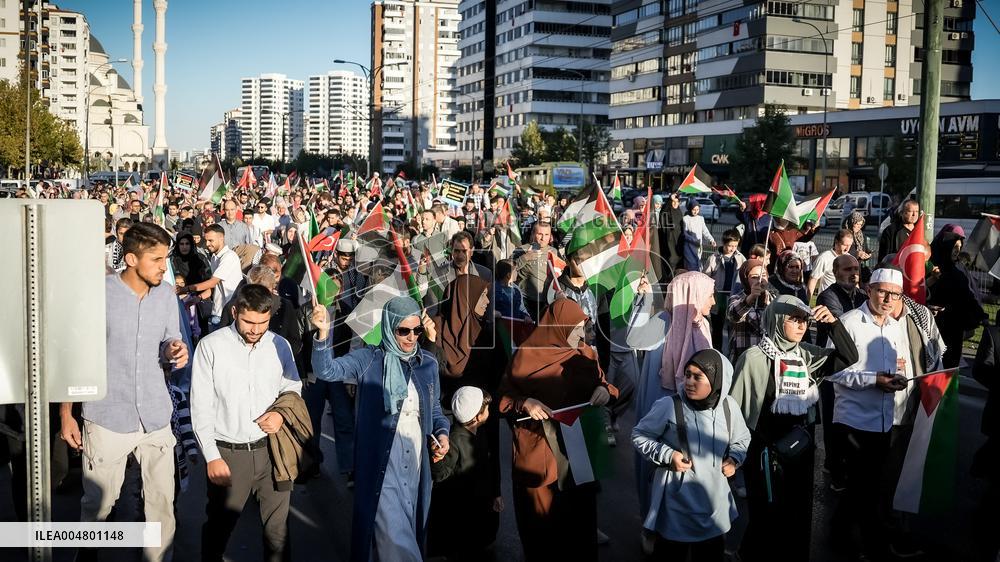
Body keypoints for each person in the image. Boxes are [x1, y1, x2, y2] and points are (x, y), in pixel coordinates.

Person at [59, 222, 189, 562]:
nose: (164, 266)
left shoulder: (166, 294)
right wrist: (66, 414)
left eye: (166, 258)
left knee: (162, 505)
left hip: (156, 417)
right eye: (157, 259)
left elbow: (168, 342)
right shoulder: (98, 293)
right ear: (131, 259)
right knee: (98, 507)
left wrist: (174, 350)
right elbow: (77, 355)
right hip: (107, 417)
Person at [310, 296, 451, 562]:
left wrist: (442, 436)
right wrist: (323, 333)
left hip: (417, 463)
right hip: (382, 465)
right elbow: (326, 370)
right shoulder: (368, 359)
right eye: (403, 330)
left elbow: (435, 413)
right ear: (389, 327)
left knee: (406, 531)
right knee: (393, 537)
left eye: (417, 330)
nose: (411, 337)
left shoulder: (427, 364)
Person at [729, 296, 857, 560]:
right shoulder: (753, 358)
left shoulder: (806, 355)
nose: (801, 326)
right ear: (777, 319)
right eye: (794, 319)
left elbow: (848, 358)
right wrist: (733, 456)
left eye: (804, 320)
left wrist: (833, 324)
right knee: (766, 515)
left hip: (799, 449)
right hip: (763, 452)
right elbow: (735, 411)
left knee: (795, 513)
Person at [497, 299, 617, 562]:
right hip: (541, 455)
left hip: (578, 455)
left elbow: (605, 383)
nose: (580, 334)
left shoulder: (585, 354)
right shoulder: (527, 356)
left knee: (578, 526)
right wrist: (524, 403)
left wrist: (603, 391)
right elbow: (504, 399)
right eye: (574, 328)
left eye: (582, 327)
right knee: (543, 531)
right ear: (557, 328)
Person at [190, 284, 302, 562]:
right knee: (219, 531)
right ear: (234, 311)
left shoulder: (280, 345)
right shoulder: (210, 347)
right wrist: (212, 457)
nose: (255, 329)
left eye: (262, 323)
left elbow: (293, 387)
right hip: (228, 456)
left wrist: (280, 414)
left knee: (278, 534)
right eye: (249, 321)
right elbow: (200, 408)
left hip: (273, 452)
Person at [632, 349, 751, 561]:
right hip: (676, 505)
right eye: (687, 374)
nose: (689, 382)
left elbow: (742, 439)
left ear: (716, 379)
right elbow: (639, 434)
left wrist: (734, 459)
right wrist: (667, 455)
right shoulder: (669, 406)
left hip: (713, 505)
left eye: (698, 377)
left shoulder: (728, 407)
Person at [828, 267, 912, 559]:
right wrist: (874, 380)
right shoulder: (848, 323)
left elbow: (899, 364)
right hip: (852, 421)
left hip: (884, 421)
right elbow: (834, 373)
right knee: (860, 489)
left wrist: (898, 378)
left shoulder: (894, 327)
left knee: (868, 488)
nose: (888, 299)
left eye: (895, 294)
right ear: (869, 289)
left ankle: (844, 537)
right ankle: (861, 544)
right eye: (882, 292)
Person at [427, 387, 503, 561]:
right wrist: (438, 460)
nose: (489, 412)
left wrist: (496, 494)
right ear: (477, 416)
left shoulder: (481, 433)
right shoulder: (454, 440)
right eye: (487, 409)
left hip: (481, 510)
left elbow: (489, 468)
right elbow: (441, 475)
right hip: (461, 517)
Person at [928, 226, 988, 368]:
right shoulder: (931, 265)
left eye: (960, 247)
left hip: (955, 327)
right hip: (934, 325)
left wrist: (981, 316)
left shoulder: (959, 268)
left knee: (951, 367)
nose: (957, 250)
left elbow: (970, 294)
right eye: (954, 246)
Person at [177, 224, 244, 332]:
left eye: (210, 240)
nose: (207, 244)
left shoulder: (229, 257)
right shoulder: (214, 257)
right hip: (216, 312)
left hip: (227, 314)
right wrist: (198, 298)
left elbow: (212, 282)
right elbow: (215, 287)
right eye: (206, 240)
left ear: (221, 238)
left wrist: (184, 289)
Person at [726, 258, 779, 362]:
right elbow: (733, 315)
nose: (760, 280)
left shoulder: (775, 299)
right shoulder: (736, 298)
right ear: (745, 279)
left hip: (768, 360)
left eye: (763, 275)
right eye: (754, 277)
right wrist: (751, 298)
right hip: (744, 358)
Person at [703, 229, 745, 348]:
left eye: (735, 246)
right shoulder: (713, 258)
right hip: (719, 296)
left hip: (734, 296)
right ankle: (717, 350)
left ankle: (732, 351)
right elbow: (705, 277)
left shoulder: (740, 258)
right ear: (723, 243)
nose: (732, 249)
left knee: (733, 326)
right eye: (729, 246)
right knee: (717, 327)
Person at [513, 222, 559, 321]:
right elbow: (508, 270)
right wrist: (525, 258)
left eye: (546, 234)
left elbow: (560, 274)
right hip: (526, 301)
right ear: (533, 234)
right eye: (540, 234)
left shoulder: (554, 252)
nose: (543, 238)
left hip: (547, 301)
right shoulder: (522, 249)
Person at [807, 228, 854, 297]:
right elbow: (813, 280)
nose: (847, 248)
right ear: (836, 242)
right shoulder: (824, 258)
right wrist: (808, 303)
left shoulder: (850, 259)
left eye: (850, 245)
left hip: (845, 302)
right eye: (845, 245)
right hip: (828, 301)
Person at [681, 198, 716, 271]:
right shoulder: (685, 219)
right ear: (690, 209)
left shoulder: (701, 218)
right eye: (694, 209)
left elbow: (705, 231)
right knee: (690, 266)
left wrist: (711, 240)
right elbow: (684, 234)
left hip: (698, 247)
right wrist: (693, 240)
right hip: (689, 247)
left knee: (698, 264)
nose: (695, 211)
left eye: (697, 209)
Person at [845, 211, 874, 280]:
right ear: (851, 223)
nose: (859, 227)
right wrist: (857, 253)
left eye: (861, 225)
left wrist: (867, 255)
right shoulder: (844, 235)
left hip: (859, 266)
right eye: (857, 224)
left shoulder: (861, 235)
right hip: (847, 266)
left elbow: (865, 249)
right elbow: (842, 251)